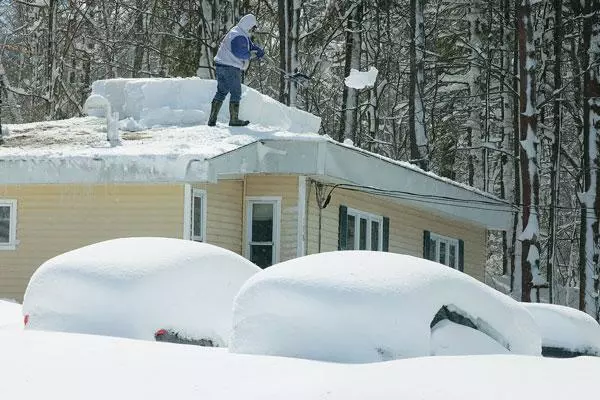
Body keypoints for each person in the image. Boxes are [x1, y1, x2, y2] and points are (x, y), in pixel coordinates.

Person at [208, 14, 265, 127]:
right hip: (230, 67)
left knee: (221, 91)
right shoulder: (239, 35)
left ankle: (212, 119)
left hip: (221, 65)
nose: (252, 30)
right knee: (236, 92)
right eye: (253, 27)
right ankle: (234, 120)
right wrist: (252, 55)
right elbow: (239, 52)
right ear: (249, 25)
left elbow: (248, 45)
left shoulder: (237, 31)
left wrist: (259, 51)